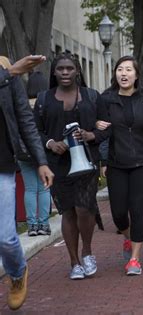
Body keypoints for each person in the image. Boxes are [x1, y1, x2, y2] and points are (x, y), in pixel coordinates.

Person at [34, 52, 105, 280]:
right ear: (54, 72)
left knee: (85, 208)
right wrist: (50, 143)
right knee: (68, 211)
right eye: (61, 69)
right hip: (58, 164)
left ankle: (87, 252)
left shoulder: (92, 97)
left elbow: (106, 128)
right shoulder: (44, 99)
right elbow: (35, 130)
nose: (65, 72)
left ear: (77, 71)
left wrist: (91, 135)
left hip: (86, 162)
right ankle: (74, 262)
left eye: (70, 68)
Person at [0, 54, 54, 310]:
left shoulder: (5, 69)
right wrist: (10, 73)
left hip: (2, 167)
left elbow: (25, 121)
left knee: (7, 238)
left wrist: (41, 161)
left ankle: (17, 272)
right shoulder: (8, 73)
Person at [96, 56, 143, 275]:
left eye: (128, 70)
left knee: (136, 208)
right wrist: (103, 160)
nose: (123, 74)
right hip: (116, 162)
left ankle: (134, 259)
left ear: (137, 74)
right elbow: (103, 133)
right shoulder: (106, 99)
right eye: (120, 69)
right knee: (119, 213)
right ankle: (128, 237)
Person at [16, 70, 51, 236]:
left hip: (23, 152)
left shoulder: (21, 103)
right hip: (43, 151)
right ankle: (44, 224)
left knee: (30, 189)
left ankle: (32, 225)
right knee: (44, 188)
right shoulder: (46, 103)